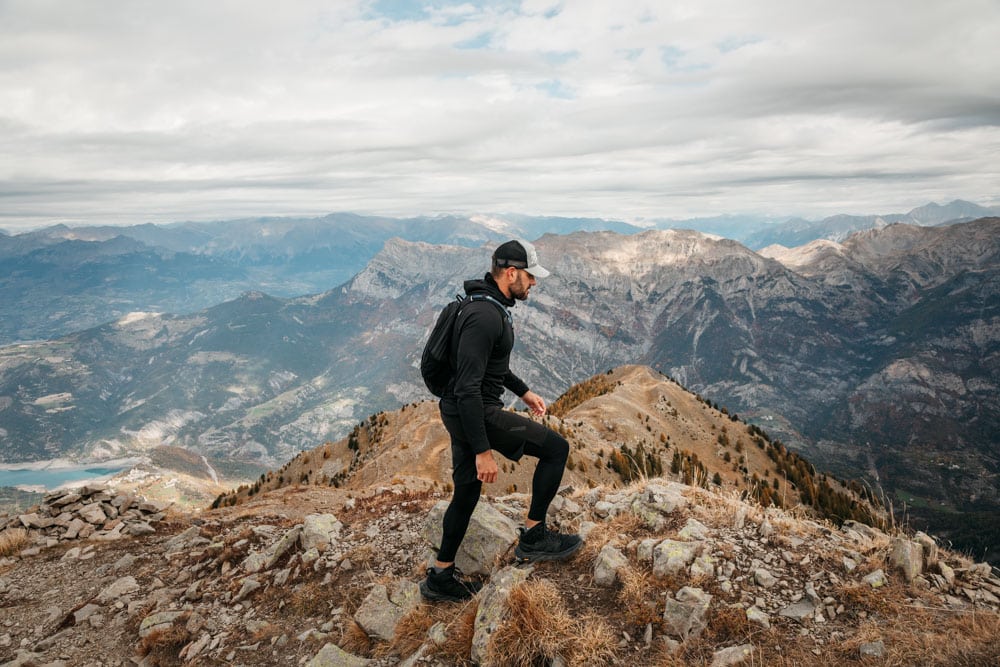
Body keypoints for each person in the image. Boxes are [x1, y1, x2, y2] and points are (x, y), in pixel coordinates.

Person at [420, 239, 582, 602]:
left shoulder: (485, 305)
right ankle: (535, 537)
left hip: (460, 409)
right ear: (511, 273)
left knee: (466, 492)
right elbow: (468, 387)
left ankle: (440, 576)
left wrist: (523, 392)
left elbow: (492, 366)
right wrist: (483, 450)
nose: (534, 283)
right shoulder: (485, 317)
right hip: (474, 410)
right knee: (557, 449)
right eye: (530, 276)